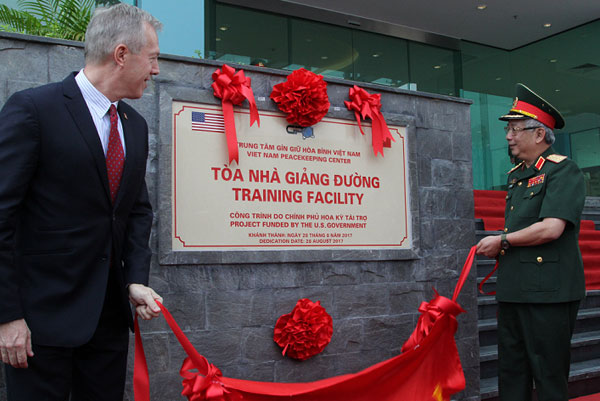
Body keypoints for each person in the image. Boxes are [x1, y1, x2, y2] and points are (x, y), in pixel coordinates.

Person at [0, 4, 163, 400]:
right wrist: (7, 316)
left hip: (107, 323)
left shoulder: (135, 126)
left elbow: (136, 210)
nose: (156, 70)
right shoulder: (34, 110)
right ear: (121, 54)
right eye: (152, 58)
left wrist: (135, 278)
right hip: (39, 325)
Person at [476, 83, 586, 401]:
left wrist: (502, 241)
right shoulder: (517, 175)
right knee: (511, 373)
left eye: (515, 129)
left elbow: (551, 228)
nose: (508, 136)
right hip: (515, 288)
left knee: (548, 375)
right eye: (508, 130)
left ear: (539, 134)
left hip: (548, 292)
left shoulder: (563, 170)